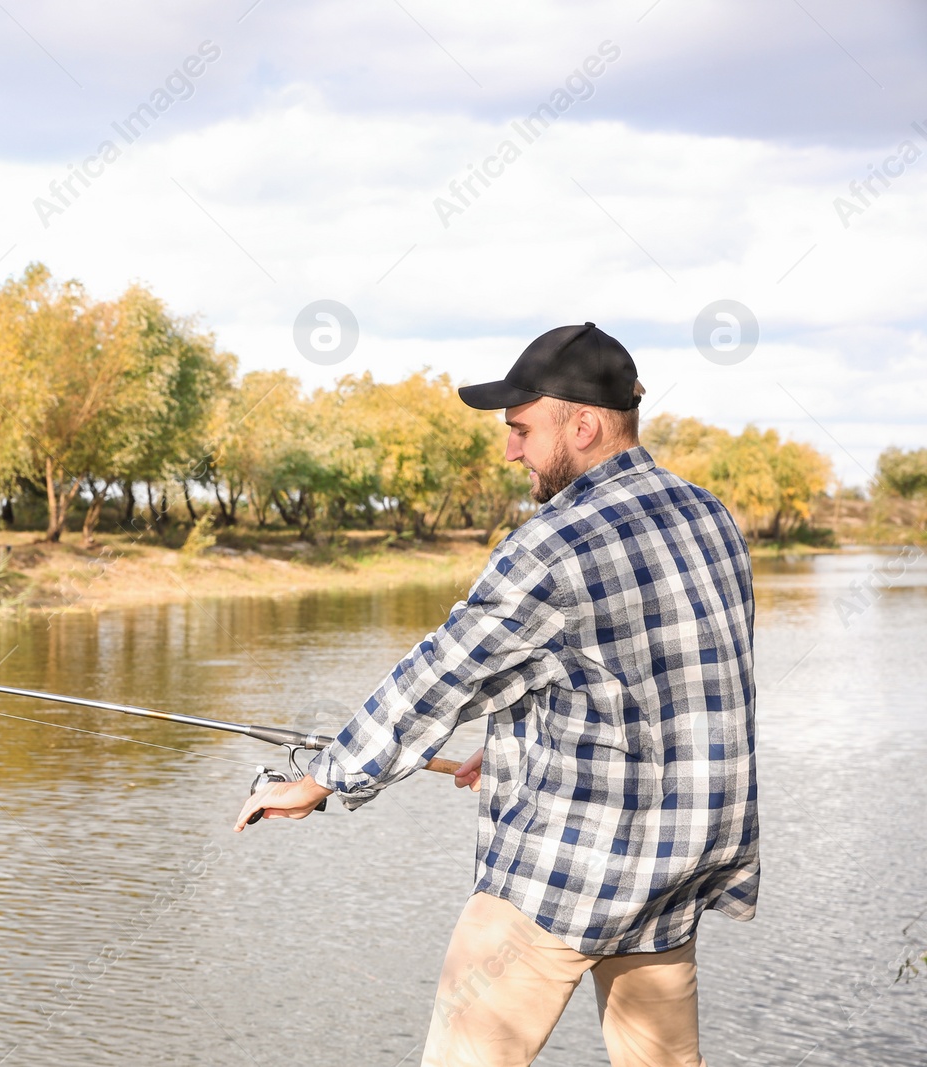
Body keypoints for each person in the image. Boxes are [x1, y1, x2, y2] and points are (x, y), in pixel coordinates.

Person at [233, 323, 757, 1067]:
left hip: (569, 868)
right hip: (677, 866)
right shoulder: (709, 517)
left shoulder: (555, 540)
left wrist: (320, 780)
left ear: (583, 423)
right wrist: (520, 740)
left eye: (520, 428)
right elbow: (676, 682)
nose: (510, 449)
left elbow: (439, 675)